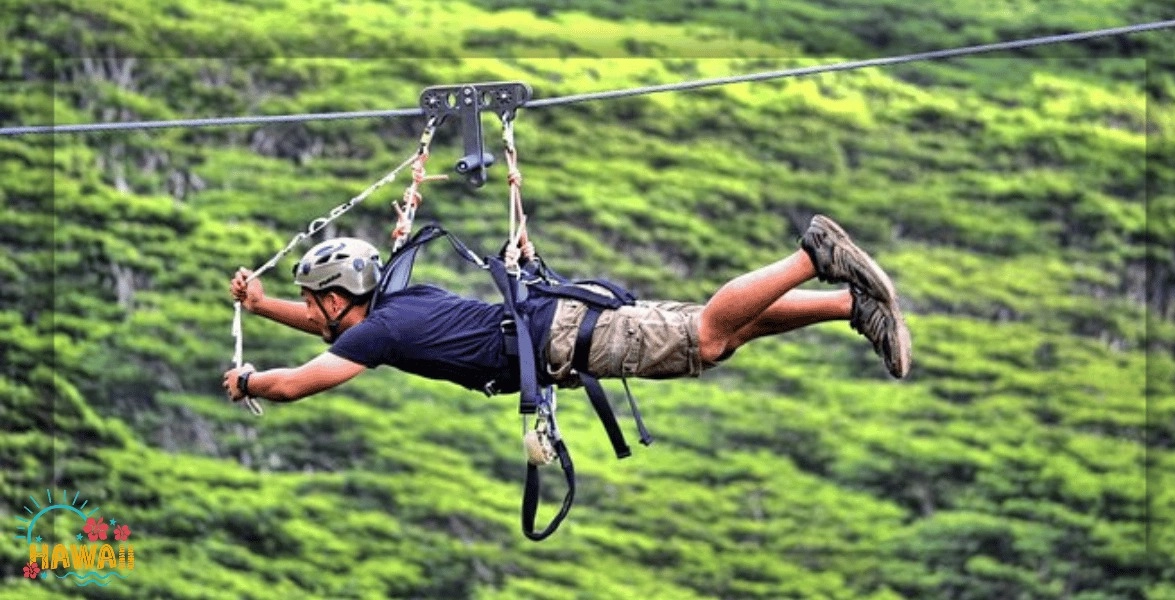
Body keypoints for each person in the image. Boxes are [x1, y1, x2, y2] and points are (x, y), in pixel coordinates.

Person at [221, 215, 912, 405]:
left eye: (317, 300)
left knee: (704, 335)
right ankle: (847, 303)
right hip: (562, 326)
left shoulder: (380, 332)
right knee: (719, 341)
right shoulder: (393, 307)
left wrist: (249, 381)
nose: (314, 312)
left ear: (340, 298)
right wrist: (261, 303)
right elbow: (322, 325)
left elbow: (296, 382)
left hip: (565, 338)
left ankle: (812, 254)